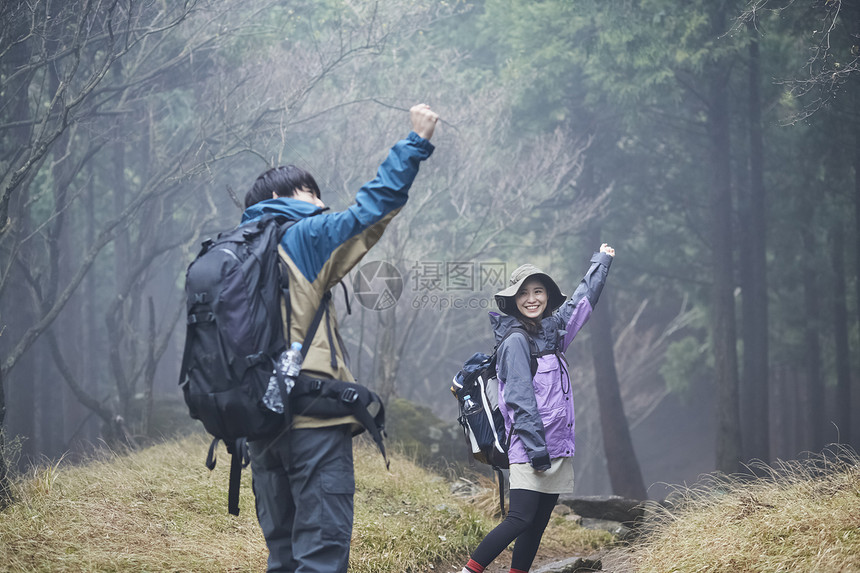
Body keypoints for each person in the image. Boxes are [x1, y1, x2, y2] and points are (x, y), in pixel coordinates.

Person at [241, 103, 439, 573]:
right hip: (313, 424)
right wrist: (415, 142)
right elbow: (374, 208)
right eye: (313, 192)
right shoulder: (304, 235)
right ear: (294, 195)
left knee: (283, 557)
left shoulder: (238, 250)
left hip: (258, 426)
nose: (321, 202)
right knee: (321, 558)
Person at [460, 244, 615, 573]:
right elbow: (519, 399)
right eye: (524, 293)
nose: (532, 298)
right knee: (519, 519)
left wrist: (601, 262)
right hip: (531, 449)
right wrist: (535, 448)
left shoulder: (553, 334)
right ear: (514, 301)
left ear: (547, 296)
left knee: (535, 526)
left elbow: (580, 305)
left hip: (557, 448)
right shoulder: (515, 341)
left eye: (538, 291)